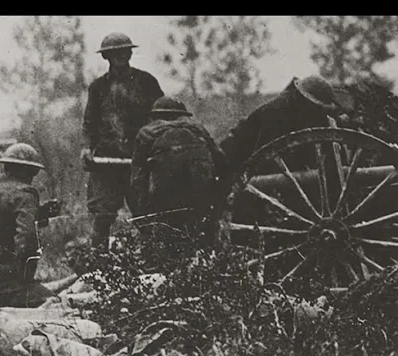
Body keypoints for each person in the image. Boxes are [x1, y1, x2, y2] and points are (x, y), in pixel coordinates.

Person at [0, 143, 79, 308]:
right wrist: (24, 279)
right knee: (50, 302)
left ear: (6, 166)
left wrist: (39, 213)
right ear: (31, 171)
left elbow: (1, 219)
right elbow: (27, 239)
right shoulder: (25, 193)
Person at [80, 32, 165, 248]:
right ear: (106, 57)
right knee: (103, 215)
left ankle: (153, 261)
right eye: (114, 53)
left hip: (138, 161)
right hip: (106, 163)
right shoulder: (98, 88)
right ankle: (98, 266)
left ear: (130, 53)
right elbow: (90, 122)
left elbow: (162, 115)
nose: (120, 56)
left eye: (124, 51)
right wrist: (87, 148)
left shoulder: (146, 82)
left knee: (145, 214)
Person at [131, 96, 226, 239]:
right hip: (200, 189)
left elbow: (138, 177)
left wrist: (143, 212)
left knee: (166, 232)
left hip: (165, 192)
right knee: (200, 231)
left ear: (156, 115)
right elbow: (221, 160)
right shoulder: (198, 129)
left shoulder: (146, 132)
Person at [218, 74, 341, 179]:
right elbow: (263, 158)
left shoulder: (302, 112)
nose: (319, 112)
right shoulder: (277, 112)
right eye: (318, 108)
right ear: (305, 100)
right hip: (232, 161)